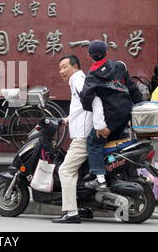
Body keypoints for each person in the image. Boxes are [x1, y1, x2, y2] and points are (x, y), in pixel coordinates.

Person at [80, 40, 142, 191]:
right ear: (107, 52)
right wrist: (138, 105)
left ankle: (100, 179)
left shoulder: (92, 75)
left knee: (93, 142)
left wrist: (90, 108)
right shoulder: (119, 66)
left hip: (110, 116)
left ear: (89, 56)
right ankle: (111, 175)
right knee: (111, 145)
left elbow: (85, 96)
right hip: (125, 113)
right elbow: (132, 87)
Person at [52, 55, 107, 224]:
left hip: (83, 137)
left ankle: (71, 213)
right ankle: (85, 207)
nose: (61, 71)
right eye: (59, 68)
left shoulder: (78, 80)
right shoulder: (77, 81)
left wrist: (99, 125)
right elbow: (81, 108)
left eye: (64, 67)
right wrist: (66, 119)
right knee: (80, 172)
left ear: (74, 67)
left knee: (65, 171)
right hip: (82, 132)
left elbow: (95, 99)